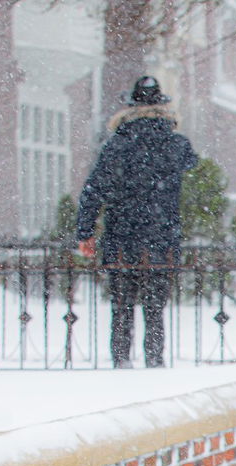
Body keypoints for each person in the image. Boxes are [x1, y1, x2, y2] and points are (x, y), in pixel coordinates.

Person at [75, 75, 197, 368]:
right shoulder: (175, 144)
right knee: (155, 306)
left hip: (122, 237)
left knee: (122, 304)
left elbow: (94, 189)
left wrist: (86, 231)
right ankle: (154, 359)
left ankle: (121, 359)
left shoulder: (116, 145)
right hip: (161, 237)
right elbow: (191, 161)